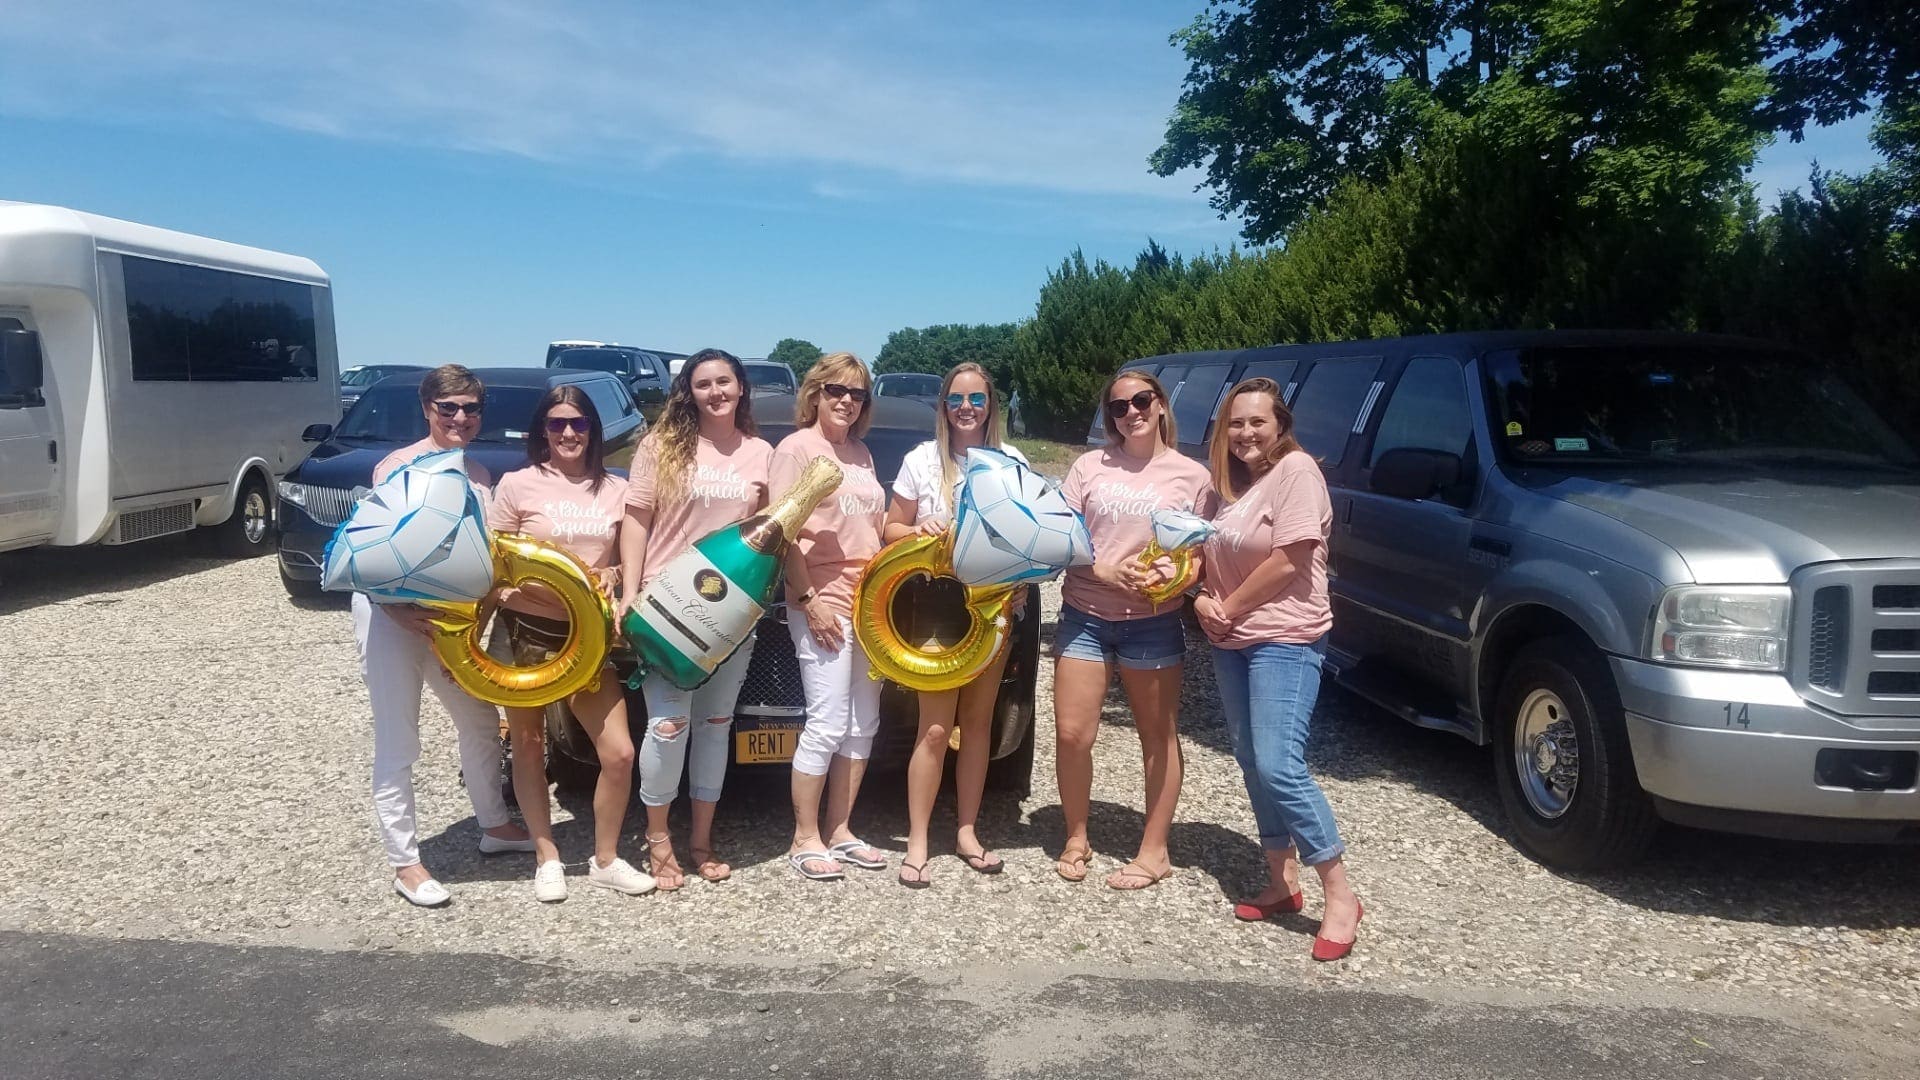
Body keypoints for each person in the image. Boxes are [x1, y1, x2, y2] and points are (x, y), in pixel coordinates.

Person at [1194, 377, 1362, 961]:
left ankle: (1339, 896)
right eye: (1235, 423)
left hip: (1285, 639)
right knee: (1250, 758)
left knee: (1279, 763)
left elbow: (1291, 560)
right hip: (1230, 639)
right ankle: (1281, 881)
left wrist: (1228, 609)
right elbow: (1198, 556)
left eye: (1256, 422)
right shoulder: (1223, 488)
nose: (1244, 434)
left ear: (1280, 425)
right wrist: (1201, 601)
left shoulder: (1297, 474)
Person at [353, 363, 532, 908]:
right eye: (448, 407)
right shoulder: (397, 467)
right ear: (428, 409)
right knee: (399, 737)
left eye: (471, 408)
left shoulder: (478, 473)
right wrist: (395, 609)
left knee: (479, 721)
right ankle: (405, 862)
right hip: (395, 620)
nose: (460, 417)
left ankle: (494, 826)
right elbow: (375, 549)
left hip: (455, 624)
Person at [489, 386, 655, 902]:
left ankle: (605, 859)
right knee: (531, 745)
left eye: (579, 424)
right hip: (526, 630)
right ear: (542, 429)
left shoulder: (615, 488)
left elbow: (628, 555)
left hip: (589, 637)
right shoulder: (518, 485)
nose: (568, 433)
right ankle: (548, 856)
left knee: (621, 753)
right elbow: (490, 563)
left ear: (593, 430)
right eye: (558, 423)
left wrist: (615, 573)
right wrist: (517, 593)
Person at [617, 348, 774, 890]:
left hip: (730, 615)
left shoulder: (761, 453)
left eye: (724, 382)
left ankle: (701, 840)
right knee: (667, 725)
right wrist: (631, 591)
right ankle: (658, 837)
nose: (716, 392)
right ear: (690, 392)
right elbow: (636, 518)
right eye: (703, 384)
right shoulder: (662, 446)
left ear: (740, 387)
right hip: (669, 607)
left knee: (714, 727)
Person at [1053, 369, 1215, 890]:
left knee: (1158, 738)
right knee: (1073, 734)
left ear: (1162, 404)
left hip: (1153, 623)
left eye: (1141, 401)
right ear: (1110, 417)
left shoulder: (1194, 477)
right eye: (1119, 407)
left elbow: (1202, 555)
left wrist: (1181, 578)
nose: (1131, 413)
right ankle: (1077, 835)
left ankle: (1154, 849)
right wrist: (1102, 570)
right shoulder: (1088, 466)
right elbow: (1059, 541)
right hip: (1085, 615)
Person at [881, 363, 1028, 888]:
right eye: (956, 398)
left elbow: (1029, 535)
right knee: (935, 728)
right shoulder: (922, 460)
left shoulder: (1012, 461)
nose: (967, 407)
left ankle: (967, 831)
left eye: (977, 398)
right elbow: (889, 527)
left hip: (993, 605)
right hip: (936, 605)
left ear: (991, 406)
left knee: (979, 726)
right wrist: (917, 526)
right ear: (943, 405)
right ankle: (918, 840)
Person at [770, 353, 890, 881]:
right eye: (836, 390)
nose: (846, 400)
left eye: (857, 394)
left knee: (864, 724)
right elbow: (782, 531)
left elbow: (875, 527)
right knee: (827, 721)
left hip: (872, 604)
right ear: (815, 393)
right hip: (824, 601)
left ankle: (841, 831)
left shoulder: (861, 453)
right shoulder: (796, 450)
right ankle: (805, 837)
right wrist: (810, 599)